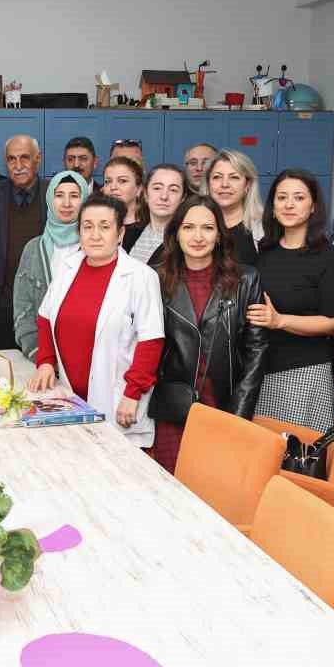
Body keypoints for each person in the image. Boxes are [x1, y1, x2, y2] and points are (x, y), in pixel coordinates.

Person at [147, 195, 270, 473]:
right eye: (189, 227)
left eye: (208, 228)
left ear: (219, 236)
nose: (198, 237)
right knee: (171, 485)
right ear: (176, 233)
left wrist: (239, 414)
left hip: (223, 407)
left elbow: (256, 352)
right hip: (173, 408)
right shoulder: (154, 278)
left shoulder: (246, 279)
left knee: (214, 487)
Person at [29, 195, 164, 447]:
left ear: (120, 233)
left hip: (117, 400)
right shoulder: (67, 268)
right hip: (70, 398)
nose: (95, 235)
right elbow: (46, 317)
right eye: (87, 226)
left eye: (105, 227)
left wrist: (133, 393)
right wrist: (45, 362)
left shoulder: (141, 277)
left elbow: (151, 342)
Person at [248, 170, 334, 431]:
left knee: (298, 452)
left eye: (299, 197)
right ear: (272, 206)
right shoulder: (264, 252)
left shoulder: (328, 257)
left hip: (304, 371)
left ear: (313, 206)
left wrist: (280, 320)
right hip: (261, 370)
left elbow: (333, 322)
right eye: (282, 197)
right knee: (263, 451)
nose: (289, 204)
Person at [0, 134, 47, 350]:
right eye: (11, 159)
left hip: (45, 305)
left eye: (24, 158)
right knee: (0, 367)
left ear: (38, 158)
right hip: (0, 306)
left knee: (41, 366)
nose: (18, 166)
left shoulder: (54, 194)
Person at [13, 171, 88, 360]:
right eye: (59, 195)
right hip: (41, 357)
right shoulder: (33, 249)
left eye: (74, 196)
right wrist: (39, 354)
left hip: (87, 359)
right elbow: (23, 308)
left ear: (85, 200)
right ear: (50, 200)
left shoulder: (94, 248)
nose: (66, 203)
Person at [206, 150, 264, 266]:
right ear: (208, 184)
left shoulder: (264, 229)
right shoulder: (193, 226)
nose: (225, 184)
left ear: (247, 185)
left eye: (234, 177)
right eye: (217, 177)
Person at [125, 163, 186, 263]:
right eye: (157, 188)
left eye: (173, 190)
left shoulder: (185, 240)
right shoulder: (129, 233)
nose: (164, 196)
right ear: (145, 194)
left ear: (182, 198)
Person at [101, 155, 146, 236]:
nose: (113, 187)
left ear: (139, 188)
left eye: (122, 181)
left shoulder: (150, 227)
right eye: (108, 181)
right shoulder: (93, 224)